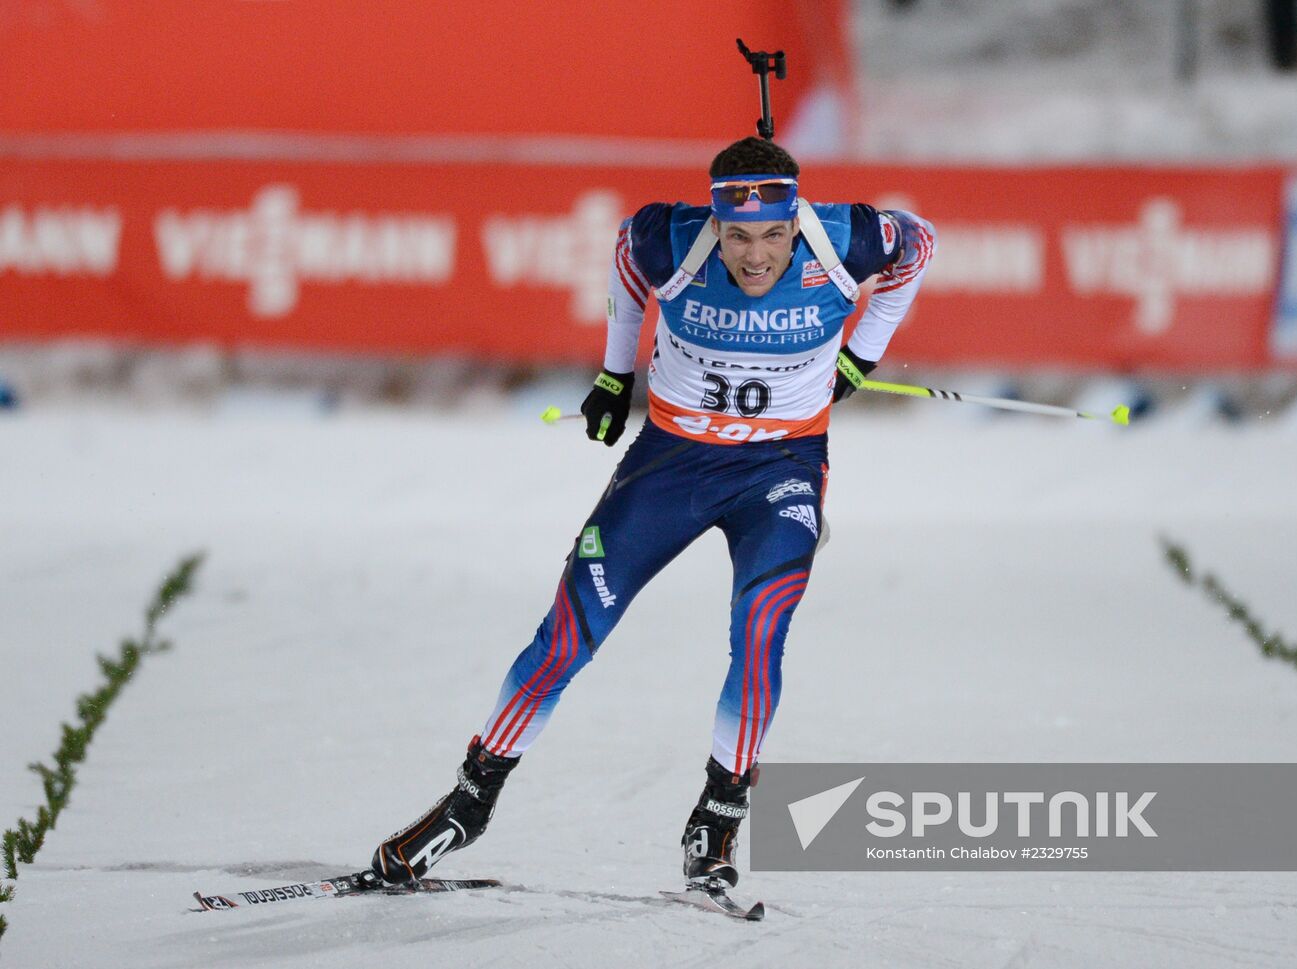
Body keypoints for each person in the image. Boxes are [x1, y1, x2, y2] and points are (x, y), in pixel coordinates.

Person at [369, 136, 936, 891]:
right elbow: (626, 262)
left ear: (797, 218)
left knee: (760, 631)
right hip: (671, 466)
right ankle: (471, 801)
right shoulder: (668, 237)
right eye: (738, 236)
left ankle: (718, 815)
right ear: (716, 222)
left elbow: (920, 247)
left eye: (773, 234)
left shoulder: (845, 238)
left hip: (780, 470)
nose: (756, 256)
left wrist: (862, 353)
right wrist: (614, 373)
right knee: (569, 631)